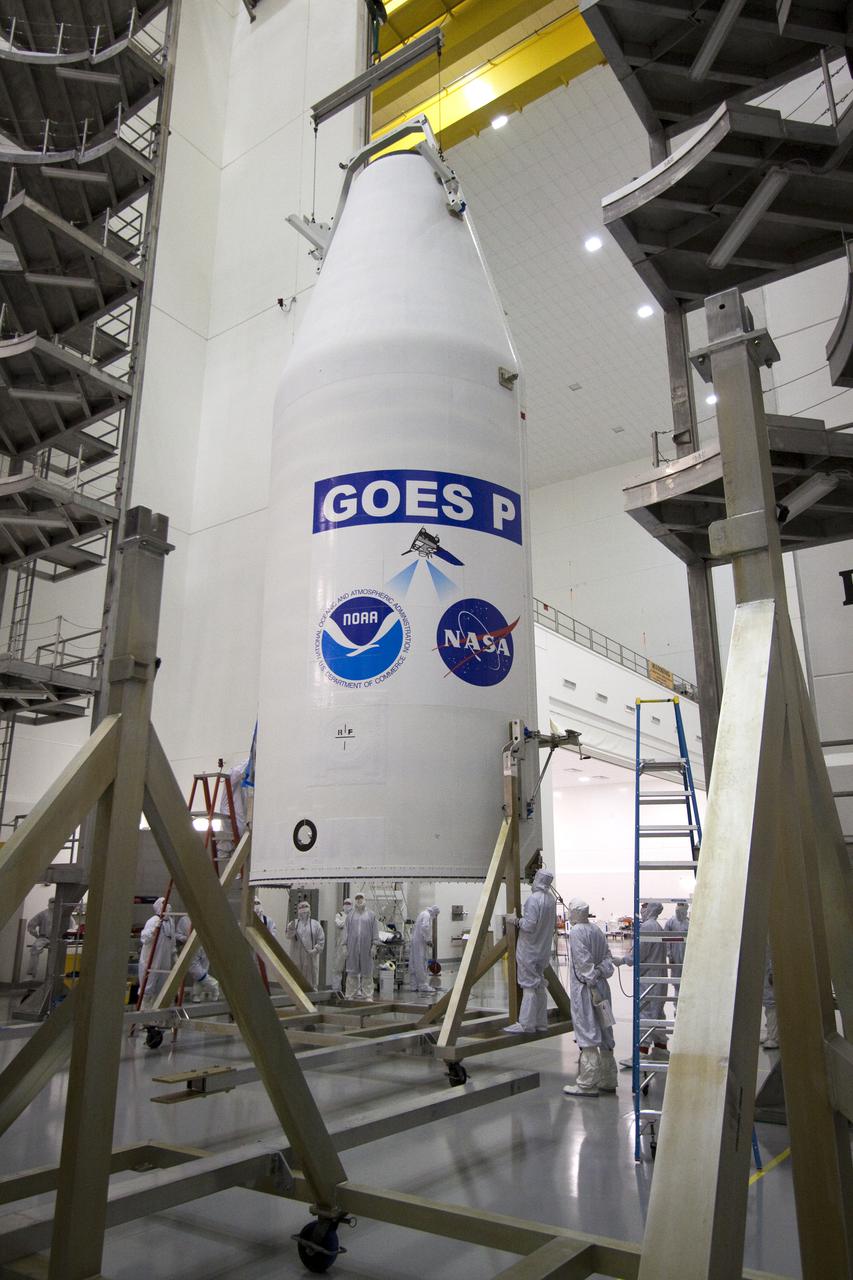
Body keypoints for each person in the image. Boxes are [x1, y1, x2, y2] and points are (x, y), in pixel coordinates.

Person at [563, 898, 631, 1097]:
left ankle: (587, 1083)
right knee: (605, 1029)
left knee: (588, 1032)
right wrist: (599, 974)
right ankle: (609, 1079)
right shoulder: (596, 930)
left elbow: (584, 964)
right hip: (602, 986)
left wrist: (591, 984)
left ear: (575, 912)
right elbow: (608, 959)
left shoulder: (576, 932)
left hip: (586, 990)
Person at [504, 869, 556, 1034]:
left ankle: (526, 1024)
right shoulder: (550, 899)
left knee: (528, 986)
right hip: (543, 949)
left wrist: (514, 920)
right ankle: (541, 1023)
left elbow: (529, 925)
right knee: (539, 984)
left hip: (529, 949)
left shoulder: (534, 899)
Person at [638, 900, 669, 1059]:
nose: (642, 910)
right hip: (659, 978)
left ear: (650, 909)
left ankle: (642, 1053)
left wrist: (624, 960)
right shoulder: (657, 926)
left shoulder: (647, 927)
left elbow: (640, 953)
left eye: (644, 907)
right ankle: (661, 1048)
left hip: (649, 978)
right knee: (657, 1014)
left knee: (646, 1014)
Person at [138, 897, 176, 1009]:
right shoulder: (152, 921)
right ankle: (142, 1017)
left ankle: (155, 1019)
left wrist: (175, 956)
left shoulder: (170, 923)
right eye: (164, 904)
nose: (168, 906)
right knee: (148, 989)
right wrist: (153, 931)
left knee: (161, 989)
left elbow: (172, 942)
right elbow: (144, 939)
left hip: (164, 963)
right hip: (151, 962)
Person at [344, 892, 379, 1001]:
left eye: (361, 898)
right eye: (357, 898)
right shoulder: (350, 916)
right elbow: (346, 932)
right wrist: (344, 946)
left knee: (367, 972)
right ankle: (350, 994)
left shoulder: (371, 915)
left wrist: (374, 945)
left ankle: (367, 995)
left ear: (365, 899)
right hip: (352, 947)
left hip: (366, 948)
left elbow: (375, 931)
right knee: (352, 972)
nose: (359, 900)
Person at [175, 915, 219, 1002]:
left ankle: (196, 994)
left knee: (204, 970)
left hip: (205, 945)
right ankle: (214, 985)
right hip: (191, 947)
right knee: (196, 971)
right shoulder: (184, 920)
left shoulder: (206, 917)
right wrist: (185, 938)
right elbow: (177, 934)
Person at [286, 901, 326, 989]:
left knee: (310, 975)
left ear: (309, 911)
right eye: (301, 908)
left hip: (310, 955)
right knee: (296, 975)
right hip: (296, 954)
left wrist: (315, 950)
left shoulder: (315, 924)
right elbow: (288, 936)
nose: (303, 911)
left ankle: (311, 997)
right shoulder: (294, 923)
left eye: (305, 908)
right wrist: (290, 929)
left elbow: (321, 939)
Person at [410, 905, 440, 994]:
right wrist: (428, 940)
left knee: (414, 963)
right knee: (421, 963)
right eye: (436, 915)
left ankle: (414, 985)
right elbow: (425, 927)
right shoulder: (427, 915)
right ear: (434, 912)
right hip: (420, 942)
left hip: (416, 941)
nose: (436, 917)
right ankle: (423, 985)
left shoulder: (422, 913)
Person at [664, 901, 689, 1001]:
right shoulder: (670, 922)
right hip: (674, 955)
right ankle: (676, 1004)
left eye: (681, 912)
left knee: (685, 979)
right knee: (676, 980)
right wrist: (669, 953)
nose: (679, 914)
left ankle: (683, 1001)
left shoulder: (689, 923)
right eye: (677, 911)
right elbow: (665, 939)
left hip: (685, 955)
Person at [26, 897, 55, 979]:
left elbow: (72, 925)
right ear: (49, 903)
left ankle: (54, 976)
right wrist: (36, 935)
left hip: (57, 938)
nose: (54, 904)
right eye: (52, 902)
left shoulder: (63, 914)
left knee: (58, 954)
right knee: (35, 949)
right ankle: (32, 972)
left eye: (55, 902)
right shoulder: (43, 914)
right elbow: (31, 924)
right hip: (44, 937)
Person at [331, 898, 353, 994]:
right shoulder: (339, 915)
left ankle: (352, 989)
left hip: (352, 946)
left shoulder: (355, 916)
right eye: (345, 903)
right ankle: (336, 989)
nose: (347, 905)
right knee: (337, 968)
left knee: (353, 969)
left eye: (349, 903)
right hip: (340, 946)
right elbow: (339, 924)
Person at [762, 946, 778, 1050]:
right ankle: (771, 1034)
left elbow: (773, 950)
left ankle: (774, 1037)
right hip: (766, 968)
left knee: (771, 1003)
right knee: (768, 1004)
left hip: (769, 970)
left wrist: (772, 971)